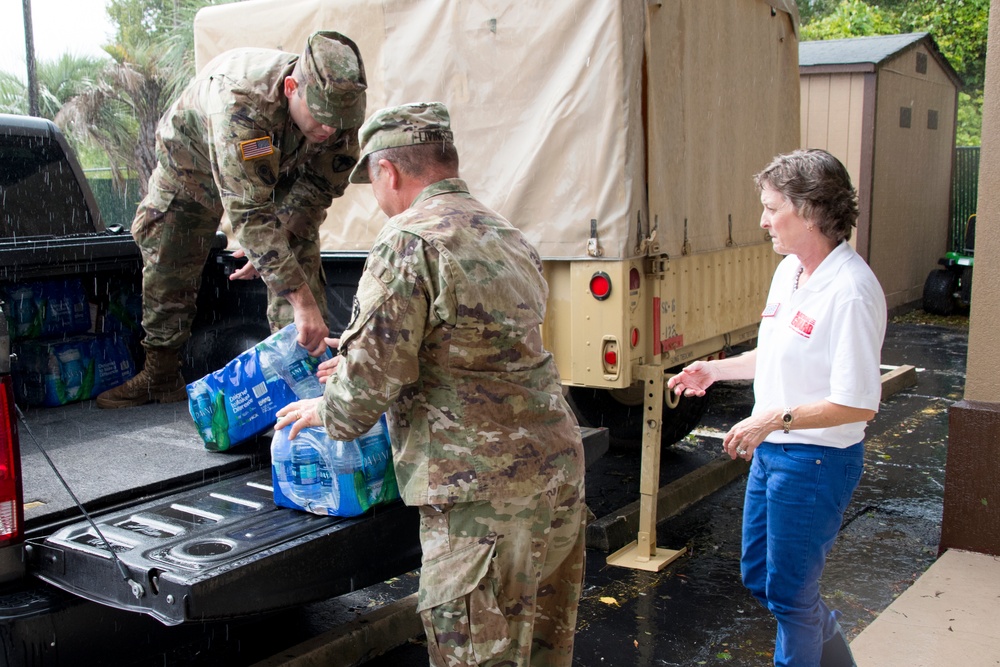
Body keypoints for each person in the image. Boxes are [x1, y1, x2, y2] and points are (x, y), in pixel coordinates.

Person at [274, 102, 587, 666]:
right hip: (555, 476)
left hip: (482, 502)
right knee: (543, 653)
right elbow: (471, 345)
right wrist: (357, 363)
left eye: (372, 181)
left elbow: (366, 387)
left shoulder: (408, 240)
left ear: (387, 172)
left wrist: (330, 405)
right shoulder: (507, 233)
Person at [667, 148, 886, 667]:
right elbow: (783, 351)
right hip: (775, 455)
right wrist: (715, 370)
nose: (763, 220)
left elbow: (857, 404)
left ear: (809, 210)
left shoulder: (851, 291)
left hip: (814, 462)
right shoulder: (791, 270)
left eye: (771, 208)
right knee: (762, 578)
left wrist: (773, 418)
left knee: (789, 595)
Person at [96, 31, 367, 409]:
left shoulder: (339, 109)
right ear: (292, 87)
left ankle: (305, 388)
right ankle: (161, 374)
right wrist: (295, 293)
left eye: (340, 122)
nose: (330, 130)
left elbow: (320, 187)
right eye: (321, 118)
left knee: (294, 250)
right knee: (169, 260)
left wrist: (275, 251)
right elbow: (249, 213)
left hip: (280, 169)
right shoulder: (242, 102)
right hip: (192, 168)